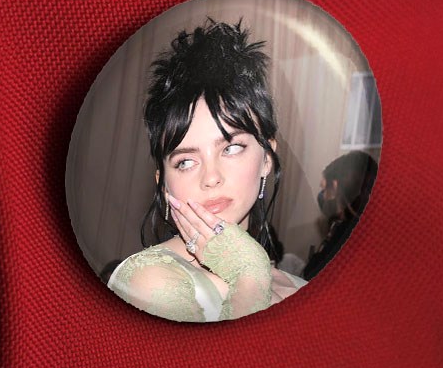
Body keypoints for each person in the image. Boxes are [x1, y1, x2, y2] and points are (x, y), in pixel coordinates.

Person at [108, 19, 305, 322]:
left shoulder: (300, 286)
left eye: (231, 148)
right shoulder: (147, 281)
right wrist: (249, 279)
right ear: (163, 183)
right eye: (186, 161)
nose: (211, 178)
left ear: (267, 157)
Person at [302, 150, 378, 280]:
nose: (322, 196)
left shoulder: (346, 232)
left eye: (324, 190)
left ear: (335, 186)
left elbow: (313, 273)